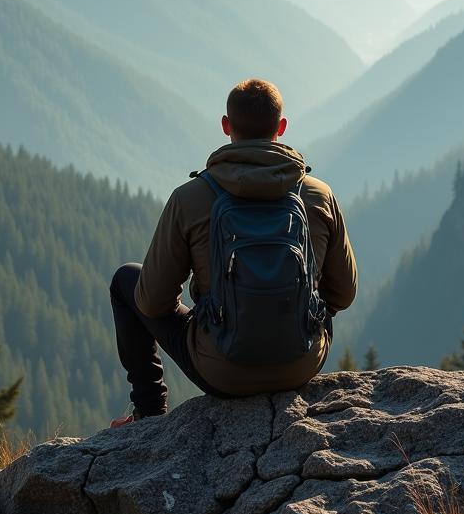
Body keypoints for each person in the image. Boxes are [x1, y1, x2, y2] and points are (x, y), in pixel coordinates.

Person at [108, 77, 357, 425]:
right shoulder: (318, 194)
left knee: (125, 280)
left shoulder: (190, 198)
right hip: (301, 363)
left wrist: (209, 307)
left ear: (226, 126)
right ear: (281, 127)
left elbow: (151, 302)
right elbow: (342, 294)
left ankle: (148, 414)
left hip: (222, 371)